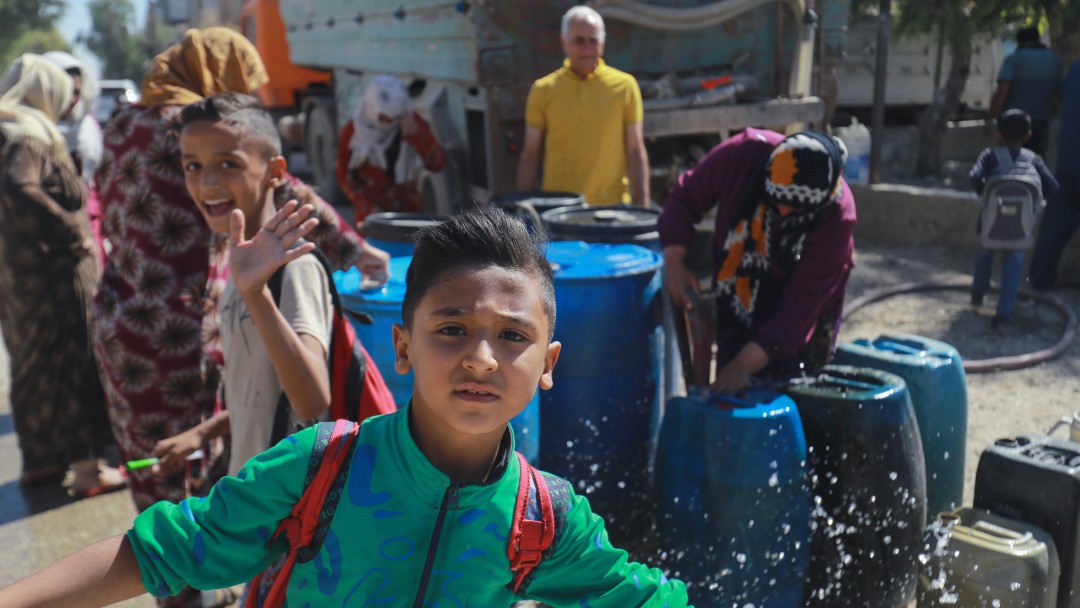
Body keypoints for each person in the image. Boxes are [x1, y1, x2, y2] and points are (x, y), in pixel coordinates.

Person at [0, 208, 692, 607]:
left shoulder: (543, 516)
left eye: (513, 337)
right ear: (402, 346)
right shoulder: (323, 465)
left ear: (548, 365)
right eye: (450, 330)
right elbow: (153, 553)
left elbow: (643, 598)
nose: (481, 358)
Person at [92, 26, 388, 529]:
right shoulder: (198, 128)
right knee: (205, 489)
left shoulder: (121, 124)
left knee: (162, 490)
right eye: (240, 82)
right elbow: (290, 194)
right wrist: (360, 253)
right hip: (187, 326)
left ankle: (185, 590)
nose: (206, 181)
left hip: (119, 325)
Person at [152, 93, 333, 479]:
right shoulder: (241, 262)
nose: (207, 182)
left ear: (275, 171)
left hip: (286, 499)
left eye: (229, 163)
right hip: (249, 487)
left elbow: (312, 399)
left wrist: (256, 293)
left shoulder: (293, 266)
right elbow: (262, 390)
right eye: (193, 166)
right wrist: (204, 431)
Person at [0, 54, 122, 495]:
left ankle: (41, 463)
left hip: (18, 275)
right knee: (78, 365)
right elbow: (20, 188)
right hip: (57, 274)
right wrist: (71, 230)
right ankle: (90, 469)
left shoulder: (7, 130)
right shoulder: (30, 137)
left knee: (33, 368)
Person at [658, 129, 856, 391]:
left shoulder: (837, 216)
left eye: (794, 209)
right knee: (730, 393)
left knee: (793, 389)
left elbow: (797, 313)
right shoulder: (742, 155)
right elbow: (684, 199)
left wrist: (743, 367)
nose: (782, 212)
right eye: (775, 202)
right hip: (740, 292)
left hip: (801, 323)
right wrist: (674, 263)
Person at [516, 5, 650, 207]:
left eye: (593, 40)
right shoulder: (543, 90)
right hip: (559, 209)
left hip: (610, 208)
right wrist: (521, 212)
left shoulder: (625, 86)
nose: (587, 48)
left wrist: (643, 207)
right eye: (579, 41)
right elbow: (530, 154)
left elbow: (635, 150)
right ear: (564, 43)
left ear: (603, 43)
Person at [969, 109, 1058, 330]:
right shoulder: (1034, 159)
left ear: (999, 134)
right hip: (1020, 229)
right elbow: (1053, 186)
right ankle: (1003, 316)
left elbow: (973, 177)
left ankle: (978, 295)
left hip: (990, 226)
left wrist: (985, 193)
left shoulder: (990, 155)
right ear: (1028, 135)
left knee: (984, 255)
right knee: (1014, 265)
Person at [335, 74, 445, 224]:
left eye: (394, 117)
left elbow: (437, 163)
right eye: (383, 118)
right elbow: (345, 177)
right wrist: (367, 207)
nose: (389, 123)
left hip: (409, 214)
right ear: (371, 109)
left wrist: (415, 135)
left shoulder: (411, 122)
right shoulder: (354, 132)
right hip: (371, 218)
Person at [43, 51, 107, 266]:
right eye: (64, 91)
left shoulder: (88, 127)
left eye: (76, 92)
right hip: (47, 231)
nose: (71, 100)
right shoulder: (30, 132)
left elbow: (98, 178)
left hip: (90, 224)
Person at [1028, 56, 1080, 290]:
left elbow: (1057, 99)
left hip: (1068, 160)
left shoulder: (1076, 68)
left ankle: (1040, 277)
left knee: (1056, 223)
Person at [987, 27, 1063, 156]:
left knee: (1010, 161)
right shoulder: (1056, 60)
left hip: (1012, 123)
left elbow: (1002, 91)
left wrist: (990, 118)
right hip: (1042, 122)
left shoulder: (1013, 59)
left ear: (1020, 42)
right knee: (1036, 160)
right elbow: (1058, 96)